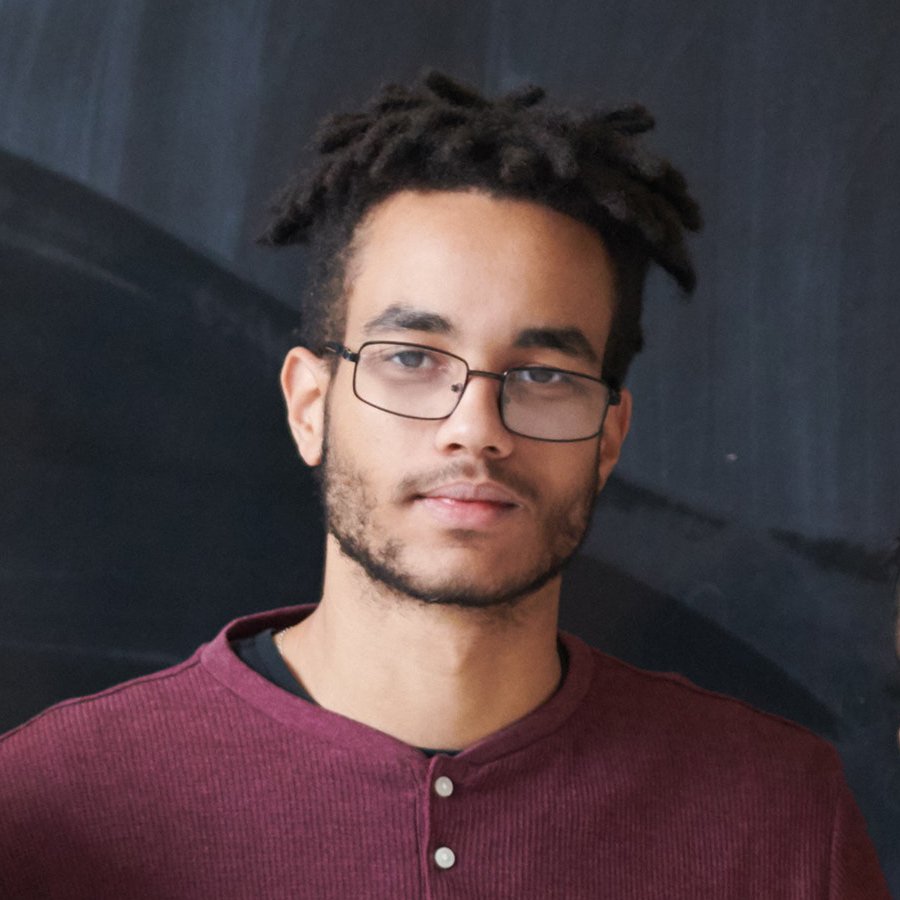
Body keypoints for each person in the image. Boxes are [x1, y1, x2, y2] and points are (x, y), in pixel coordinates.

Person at [0, 71, 889, 898]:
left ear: (609, 439)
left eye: (543, 375)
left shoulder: (779, 816)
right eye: (412, 358)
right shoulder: (48, 807)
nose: (476, 427)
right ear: (310, 406)